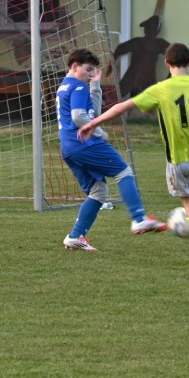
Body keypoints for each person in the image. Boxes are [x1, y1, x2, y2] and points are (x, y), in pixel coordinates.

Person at [78, 42, 189, 266]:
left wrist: (93, 123)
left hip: (178, 161)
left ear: (167, 63)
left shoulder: (161, 89)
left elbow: (122, 107)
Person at [56, 48, 165, 252]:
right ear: (75, 66)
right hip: (84, 143)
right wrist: (98, 132)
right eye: (88, 69)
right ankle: (139, 219)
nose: (91, 74)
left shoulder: (65, 86)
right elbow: (79, 117)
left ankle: (75, 237)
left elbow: (93, 113)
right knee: (123, 172)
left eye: (93, 70)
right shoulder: (78, 87)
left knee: (98, 191)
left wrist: (95, 86)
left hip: (69, 148)